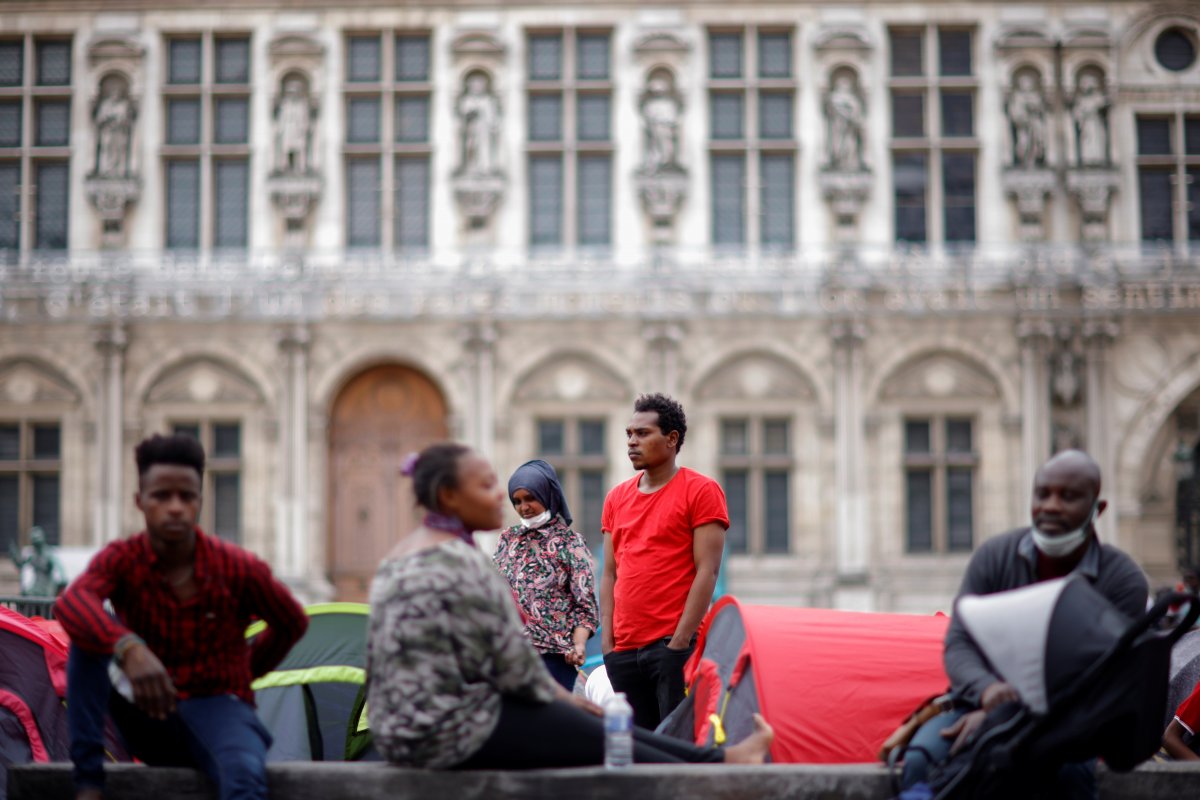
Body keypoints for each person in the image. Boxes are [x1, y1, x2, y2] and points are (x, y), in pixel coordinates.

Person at [366, 442, 773, 769]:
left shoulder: (404, 556)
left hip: (403, 731)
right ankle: (721, 761)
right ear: (449, 496)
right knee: (599, 727)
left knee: (597, 722)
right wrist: (570, 702)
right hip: (446, 733)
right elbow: (514, 670)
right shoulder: (461, 563)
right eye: (489, 487)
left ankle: (719, 759)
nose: (503, 500)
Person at [54, 433, 309, 800]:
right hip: (146, 713)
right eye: (161, 496)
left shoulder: (237, 567)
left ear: (199, 502)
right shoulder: (124, 559)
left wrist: (246, 672)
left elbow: (292, 621)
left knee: (245, 781)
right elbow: (72, 602)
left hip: (217, 709)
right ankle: (89, 785)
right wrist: (129, 647)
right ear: (140, 501)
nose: (175, 507)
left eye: (186, 496)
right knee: (87, 640)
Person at [900, 450, 1149, 798]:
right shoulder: (994, 556)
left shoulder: (1121, 580)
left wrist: (1004, 720)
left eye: (1069, 496)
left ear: (1098, 509)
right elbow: (960, 642)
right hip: (977, 705)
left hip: (1070, 724)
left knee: (1066, 776)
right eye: (1042, 493)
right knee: (920, 762)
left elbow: (1103, 678)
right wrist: (987, 691)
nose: (1051, 505)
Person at [600, 393, 729, 730]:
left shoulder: (701, 491)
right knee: (638, 753)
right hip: (623, 652)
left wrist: (679, 643)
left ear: (672, 439)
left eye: (642, 434)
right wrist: (608, 645)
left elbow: (708, 570)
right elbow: (610, 572)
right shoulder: (616, 498)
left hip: (671, 649)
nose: (632, 442)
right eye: (629, 434)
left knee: (676, 747)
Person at [493, 459, 599, 691]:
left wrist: (579, 645)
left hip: (554, 660)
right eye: (517, 501)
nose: (524, 507)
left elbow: (586, 610)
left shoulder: (570, 543)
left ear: (547, 494)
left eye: (530, 498)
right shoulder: (507, 540)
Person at [8, 525, 68, 597]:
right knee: (24, 595)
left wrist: (61, 583)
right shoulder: (33, 556)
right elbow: (20, 565)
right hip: (36, 586)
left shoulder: (49, 554)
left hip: (47, 587)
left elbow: (60, 569)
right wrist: (14, 555)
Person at [1007, 71, 1047, 168]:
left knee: (1035, 145)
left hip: (1035, 125)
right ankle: (1024, 162)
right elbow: (1014, 112)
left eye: (1028, 83)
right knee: (1023, 143)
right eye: (1024, 83)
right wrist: (1022, 116)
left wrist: (1033, 107)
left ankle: (1034, 161)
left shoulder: (1035, 96)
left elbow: (1041, 109)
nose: (1026, 85)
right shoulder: (1017, 97)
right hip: (1023, 127)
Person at [826, 72, 864, 171]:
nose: (845, 87)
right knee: (838, 146)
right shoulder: (834, 97)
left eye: (847, 84)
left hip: (850, 128)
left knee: (850, 145)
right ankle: (838, 163)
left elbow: (857, 110)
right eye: (842, 84)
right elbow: (833, 109)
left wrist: (854, 118)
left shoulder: (852, 98)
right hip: (838, 127)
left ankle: (851, 164)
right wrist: (848, 115)